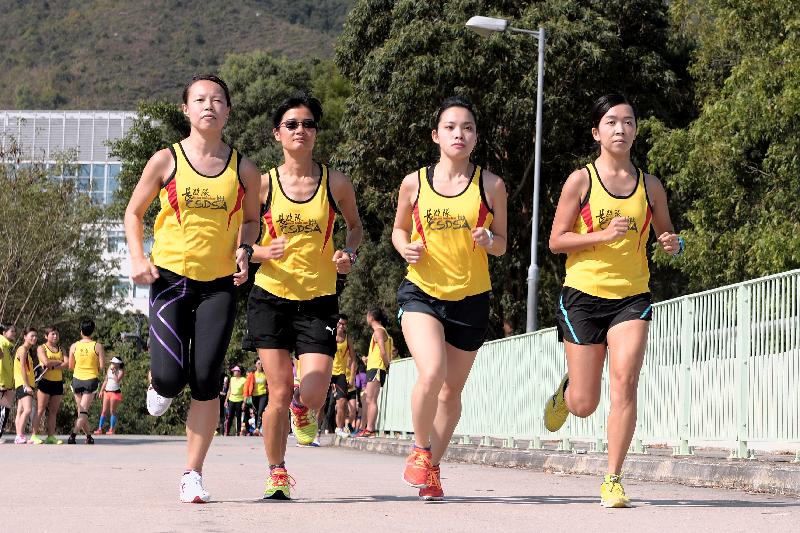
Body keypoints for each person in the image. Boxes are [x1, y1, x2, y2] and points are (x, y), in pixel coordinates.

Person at [124, 74, 260, 503]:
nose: (209, 106)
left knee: (206, 380)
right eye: (200, 99)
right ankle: (160, 382)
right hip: (170, 281)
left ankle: (193, 473)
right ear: (186, 110)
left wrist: (245, 250)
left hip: (219, 285)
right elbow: (133, 212)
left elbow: (252, 221)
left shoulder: (246, 169)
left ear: (228, 111)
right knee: (169, 379)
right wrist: (137, 257)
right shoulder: (166, 161)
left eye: (218, 100)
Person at [545, 94, 683, 508]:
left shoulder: (650, 186)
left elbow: (665, 234)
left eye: (627, 122)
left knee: (625, 382)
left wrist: (672, 243)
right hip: (583, 295)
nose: (620, 128)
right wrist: (601, 236)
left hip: (632, 296)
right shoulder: (581, 181)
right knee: (586, 404)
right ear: (596, 132)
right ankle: (568, 392)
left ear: (636, 130)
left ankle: (613, 478)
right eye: (610, 122)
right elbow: (556, 240)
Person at [247, 92, 362, 499]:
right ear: (278, 133)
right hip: (270, 297)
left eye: (308, 124)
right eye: (292, 125)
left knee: (312, 391)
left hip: (317, 300)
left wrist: (348, 252)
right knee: (276, 390)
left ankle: (302, 408)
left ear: (316, 132)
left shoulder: (336, 182)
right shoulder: (262, 185)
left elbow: (354, 228)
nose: (301, 131)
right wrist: (260, 252)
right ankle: (277, 472)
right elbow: (240, 237)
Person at [392, 95, 508, 501]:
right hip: (422, 291)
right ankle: (420, 450)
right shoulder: (415, 182)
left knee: (451, 391)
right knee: (432, 372)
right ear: (436, 135)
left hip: (471, 298)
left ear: (475, 137)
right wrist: (405, 247)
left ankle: (433, 467)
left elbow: (503, 245)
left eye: (468, 128)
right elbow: (399, 231)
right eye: (451, 127)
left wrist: (489, 238)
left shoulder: (491, 185)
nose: (459, 134)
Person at [354, 308, 393, 438]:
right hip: (374, 367)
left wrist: (386, 366)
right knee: (369, 399)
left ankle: (370, 429)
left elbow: (383, 351)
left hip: (377, 368)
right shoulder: (379, 331)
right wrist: (368, 360)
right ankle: (368, 428)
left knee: (371, 399)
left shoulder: (379, 331)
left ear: (371, 317)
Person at [68, 319, 105, 444]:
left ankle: (89, 437)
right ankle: (73, 435)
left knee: (81, 411)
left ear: (81, 331)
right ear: (92, 331)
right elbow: (101, 366)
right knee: (83, 411)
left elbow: (70, 366)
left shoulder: (74, 346)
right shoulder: (97, 346)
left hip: (77, 380)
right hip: (90, 380)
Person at [35, 326, 67, 444]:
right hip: (45, 382)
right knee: (40, 409)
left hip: (58, 382)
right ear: (46, 336)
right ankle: (34, 435)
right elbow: (46, 362)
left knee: (53, 411)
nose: (55, 336)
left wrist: (52, 365)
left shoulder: (61, 349)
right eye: (52, 334)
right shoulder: (41, 348)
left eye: (57, 334)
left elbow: (67, 364)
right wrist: (59, 362)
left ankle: (51, 436)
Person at [331, 314, 356, 438]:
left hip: (341, 374)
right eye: (340, 323)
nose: (341, 326)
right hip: (328, 372)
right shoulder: (330, 336)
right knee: (321, 404)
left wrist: (351, 377)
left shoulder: (348, 339)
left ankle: (339, 428)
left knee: (342, 402)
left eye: (344, 324)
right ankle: (315, 431)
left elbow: (353, 359)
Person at [13, 327, 38, 444]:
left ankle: (19, 435)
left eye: (35, 336)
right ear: (24, 337)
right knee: (28, 409)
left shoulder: (27, 352)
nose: (34, 338)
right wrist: (27, 385)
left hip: (25, 383)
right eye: (31, 336)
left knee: (20, 410)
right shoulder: (22, 350)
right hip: (23, 384)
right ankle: (19, 435)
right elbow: (22, 368)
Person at [95, 356, 125, 435]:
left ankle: (112, 429)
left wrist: (114, 372)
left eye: (114, 363)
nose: (112, 364)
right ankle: (100, 429)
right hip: (107, 391)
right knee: (104, 411)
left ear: (118, 364)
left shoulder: (121, 371)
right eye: (112, 363)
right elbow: (106, 380)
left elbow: (117, 380)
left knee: (112, 411)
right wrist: (101, 390)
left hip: (115, 392)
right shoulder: (109, 369)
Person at [0, 324, 18, 440]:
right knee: (2, 410)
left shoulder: (5, 346)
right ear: (4, 333)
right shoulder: (1, 344)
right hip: (2, 384)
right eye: (12, 331)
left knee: (4, 410)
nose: (14, 333)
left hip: (6, 383)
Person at [225, 366, 246, 436]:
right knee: (230, 416)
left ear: (239, 372)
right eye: (233, 371)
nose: (233, 372)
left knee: (238, 416)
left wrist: (244, 402)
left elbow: (245, 392)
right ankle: (227, 432)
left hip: (239, 400)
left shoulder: (244, 380)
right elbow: (229, 390)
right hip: (231, 399)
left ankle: (239, 432)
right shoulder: (232, 379)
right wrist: (226, 400)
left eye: (235, 371)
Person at [251, 359, 268, 436]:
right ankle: (256, 429)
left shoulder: (265, 374)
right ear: (255, 365)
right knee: (256, 412)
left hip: (263, 395)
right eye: (258, 363)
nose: (260, 365)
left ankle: (258, 428)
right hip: (254, 395)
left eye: (261, 363)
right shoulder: (253, 374)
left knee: (260, 411)